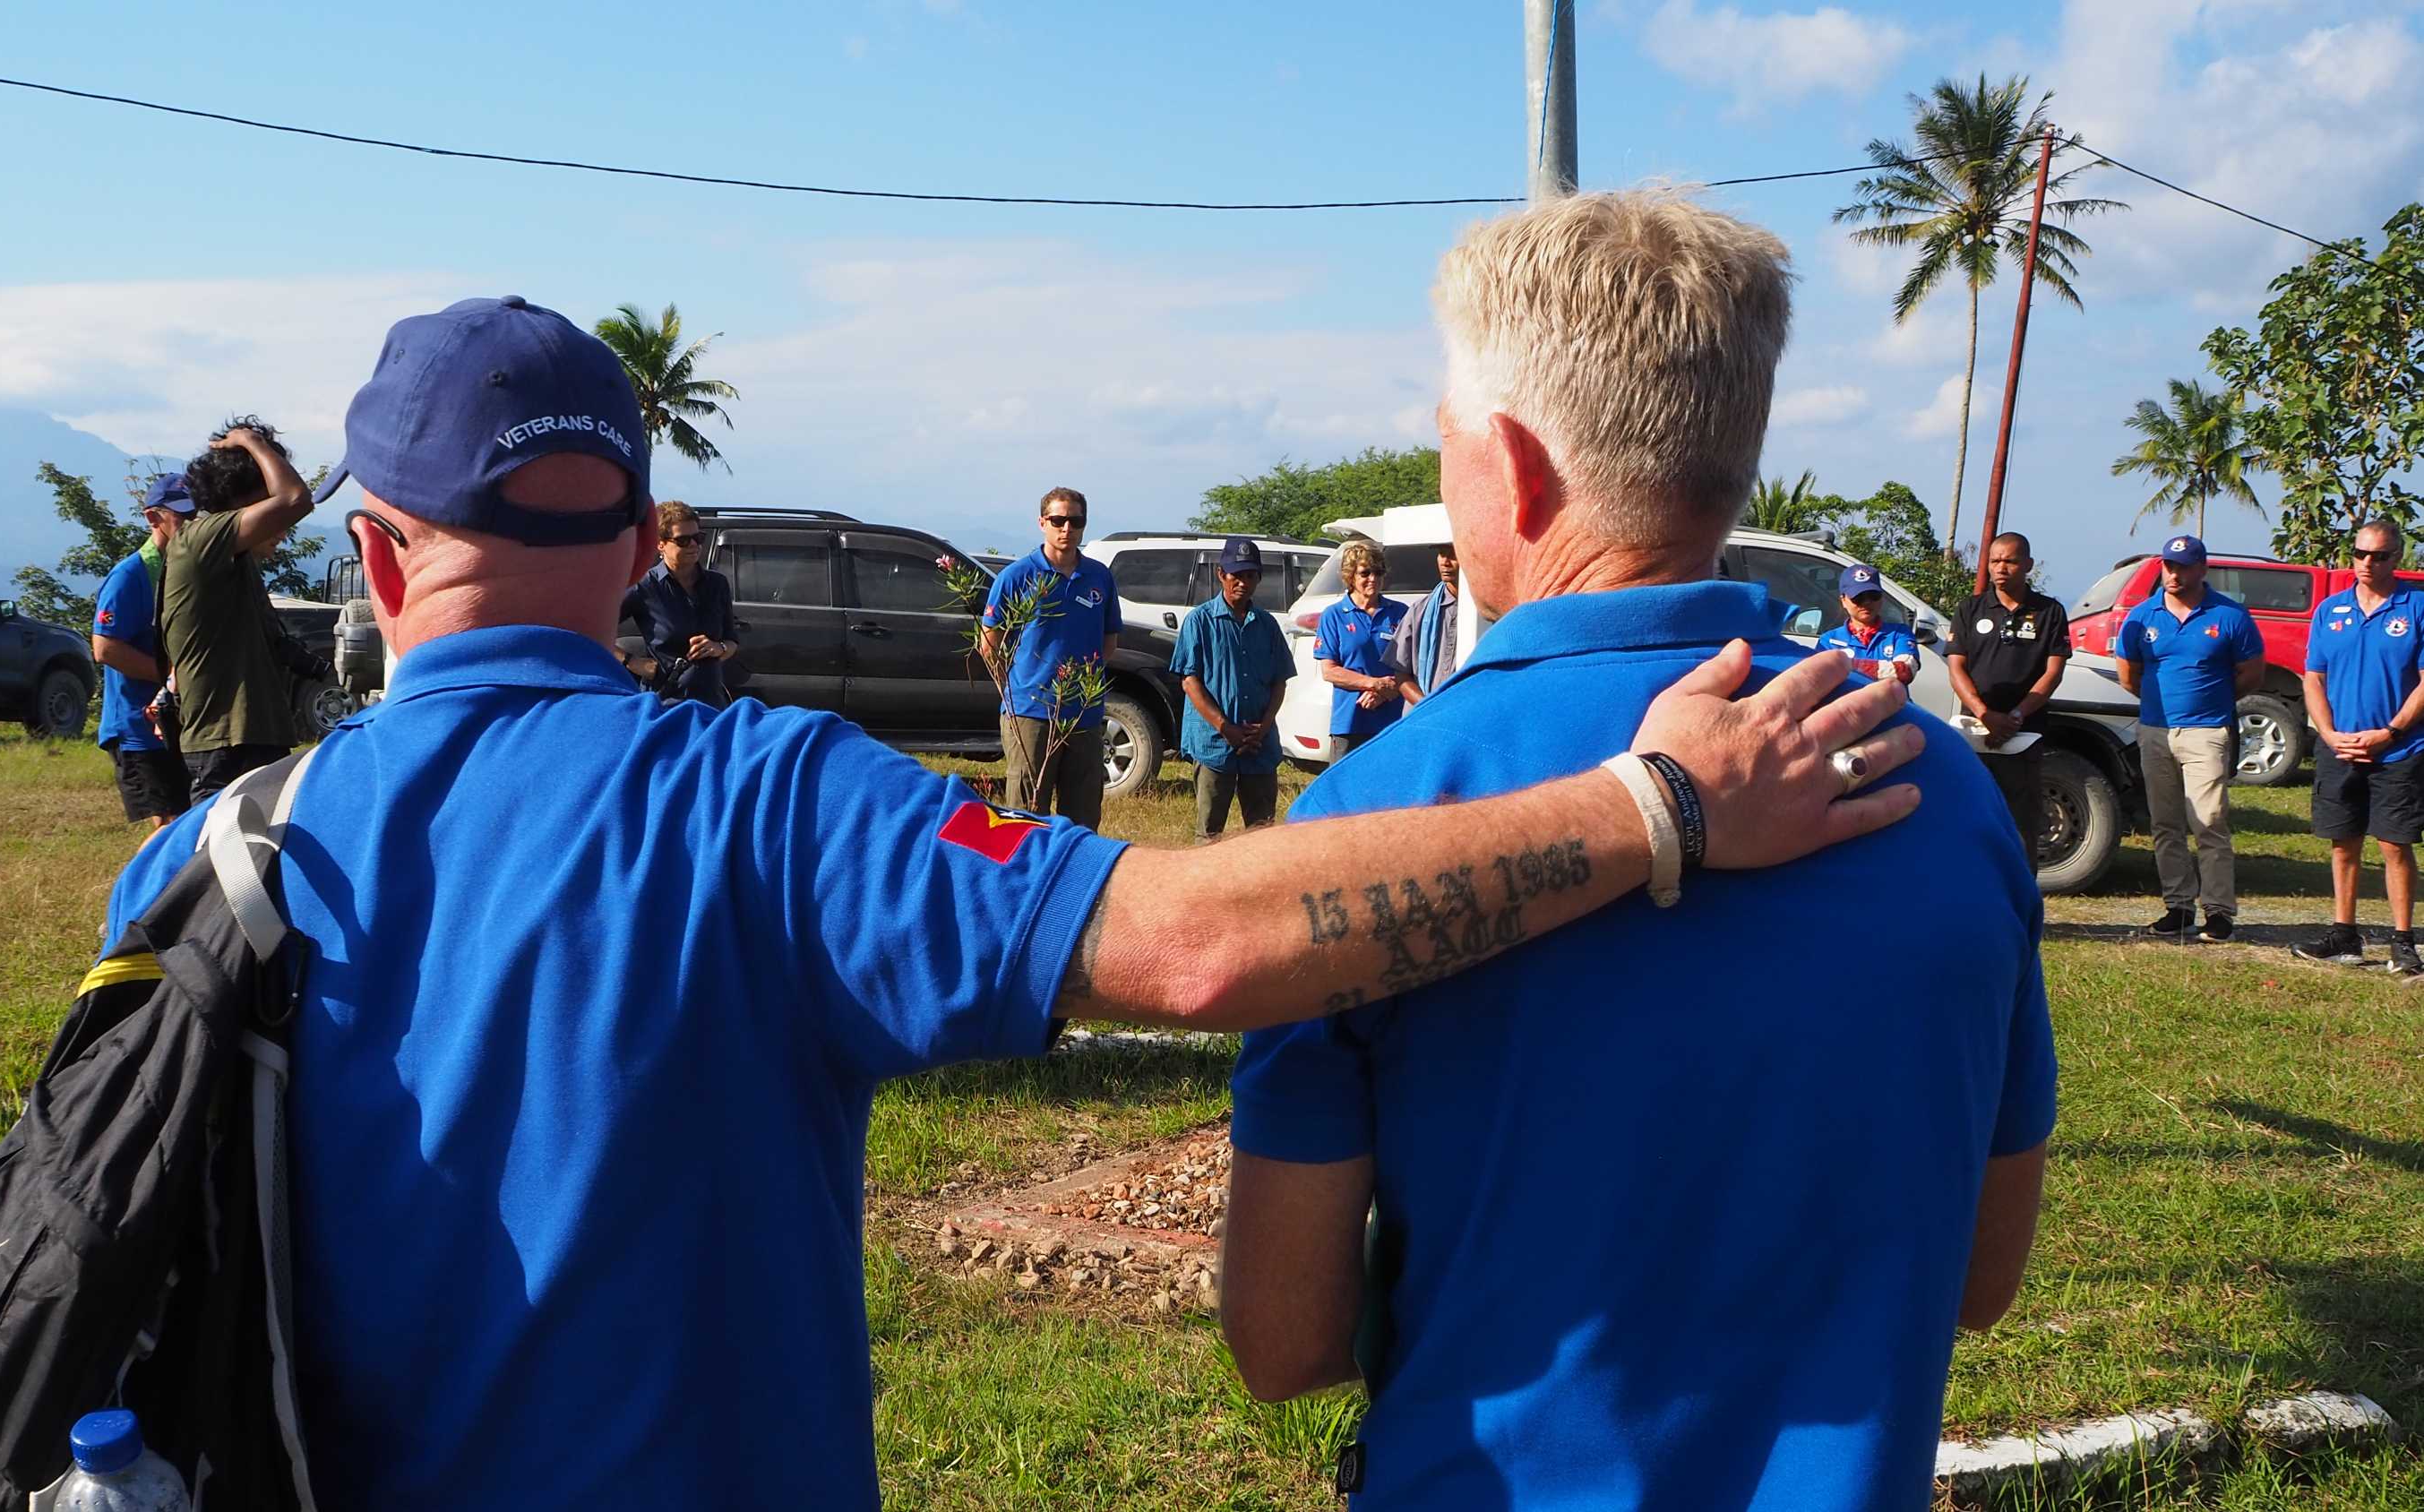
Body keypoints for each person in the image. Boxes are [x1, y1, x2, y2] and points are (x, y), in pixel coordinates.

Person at [94, 292, 1923, 1509]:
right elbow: (1198, 940)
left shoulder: (207, 862)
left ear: (378, 551)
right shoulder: (766, 797)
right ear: (647, 543)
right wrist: (1658, 807)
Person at [1220, 193, 2050, 1512]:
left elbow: (1282, 1343)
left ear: (1509, 463)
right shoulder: (1942, 794)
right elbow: (1981, 1283)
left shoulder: (1374, 815)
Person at [2115, 535, 2265, 943]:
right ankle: (2178, 907)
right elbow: (2129, 674)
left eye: (2182, 566)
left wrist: (2212, 702)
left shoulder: (2230, 616)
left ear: (2202, 569)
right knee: (2165, 823)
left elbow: (2252, 672)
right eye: (2168, 566)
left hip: (2207, 731)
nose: (2173, 574)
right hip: (2155, 731)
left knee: (2210, 822)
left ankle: (2218, 912)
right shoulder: (2142, 617)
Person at [2294, 519, 2424, 973]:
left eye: (2380, 555)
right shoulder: (2331, 610)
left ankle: (2403, 940)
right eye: (2360, 554)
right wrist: (2328, 735)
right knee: (2343, 844)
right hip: (2340, 748)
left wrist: (2390, 732)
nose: (2368, 563)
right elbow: (2314, 677)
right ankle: (2344, 935)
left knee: (2394, 844)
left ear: (2397, 559)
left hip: (2398, 749)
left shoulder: (2417, 608)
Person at [167, 417, 316, 801]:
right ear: (244, 502)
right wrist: (252, 442)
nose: (280, 531)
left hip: (249, 739)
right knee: (214, 857)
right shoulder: (202, 538)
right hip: (225, 746)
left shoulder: (233, 559)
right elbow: (295, 500)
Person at [982, 486, 1122, 828]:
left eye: (1075, 521)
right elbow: (989, 645)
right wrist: (1018, 689)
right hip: (1031, 712)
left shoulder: (1099, 577)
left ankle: (1077, 880)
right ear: (1042, 522)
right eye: (1058, 520)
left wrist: (1083, 683)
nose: (1067, 529)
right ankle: (1024, 880)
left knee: (1084, 814)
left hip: (1083, 714)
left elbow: (1109, 641)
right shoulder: (1017, 577)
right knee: (1027, 813)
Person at [1947, 531, 2069, 863]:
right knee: (1970, 817)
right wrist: (1984, 714)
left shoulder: (2050, 612)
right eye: (1995, 561)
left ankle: (2020, 901)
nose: (2001, 568)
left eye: (2010, 561)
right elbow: (1956, 668)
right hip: (1974, 732)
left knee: (2022, 824)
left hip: (2024, 735)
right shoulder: (1970, 609)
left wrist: (2015, 717)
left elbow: (2053, 674)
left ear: (2027, 565)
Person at [1173, 537, 1296, 841]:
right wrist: (1225, 727)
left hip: (1259, 745)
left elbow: (1279, 680)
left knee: (1262, 834)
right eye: (1235, 574)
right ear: (1221, 574)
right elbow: (1190, 681)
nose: (1242, 582)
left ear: (1258, 578)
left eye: (1249, 575)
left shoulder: (1267, 624)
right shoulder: (1199, 621)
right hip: (1215, 743)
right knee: (1209, 835)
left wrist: (1263, 727)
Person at [88, 473, 192, 831]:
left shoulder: (187, 568)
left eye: (196, 516)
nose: (190, 524)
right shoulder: (130, 576)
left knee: (189, 823)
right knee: (170, 827)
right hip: (137, 727)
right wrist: (170, 679)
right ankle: (139, 888)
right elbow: (105, 648)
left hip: (177, 725)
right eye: (181, 517)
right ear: (153, 518)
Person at [619, 499, 738, 706]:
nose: (694, 545)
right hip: (665, 705)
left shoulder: (717, 584)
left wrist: (718, 648)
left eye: (698, 537)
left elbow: (732, 640)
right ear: (660, 544)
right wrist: (632, 662)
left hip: (710, 705)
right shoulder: (644, 586)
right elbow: (591, 633)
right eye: (683, 540)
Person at [1314, 539, 1409, 761]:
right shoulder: (1334, 615)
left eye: (1378, 572)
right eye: (1365, 573)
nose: (1372, 579)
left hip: (1391, 720)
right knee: (1345, 791)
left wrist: (1385, 693)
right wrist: (1374, 684)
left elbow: (1413, 667)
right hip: (1350, 722)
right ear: (1351, 577)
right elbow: (1330, 671)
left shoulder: (1400, 613)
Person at [1818, 562, 1920, 683]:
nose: (1866, 602)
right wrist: (1886, 669)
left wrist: (1843, 665)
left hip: (1891, 702)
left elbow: (1905, 671)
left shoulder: (1899, 633)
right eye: (1858, 597)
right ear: (1843, 600)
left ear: (1881, 598)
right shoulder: (1828, 640)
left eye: (1873, 596)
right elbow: (1819, 676)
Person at [1390, 544, 1463, 704]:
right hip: (1421, 716)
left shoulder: (1484, 613)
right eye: (1441, 554)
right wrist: (1428, 707)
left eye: (1453, 555)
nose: (1445, 562)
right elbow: (1401, 674)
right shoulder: (1420, 610)